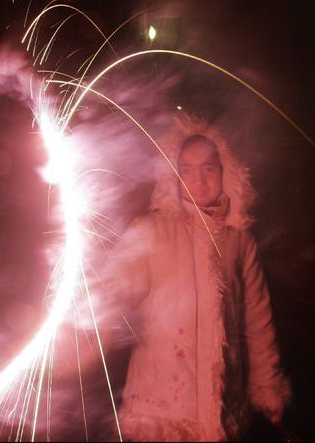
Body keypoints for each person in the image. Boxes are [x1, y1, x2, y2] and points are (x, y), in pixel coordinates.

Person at [102, 115, 291, 441]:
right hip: (161, 410)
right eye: (186, 170)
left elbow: (258, 321)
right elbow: (109, 296)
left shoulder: (239, 240)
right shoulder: (151, 231)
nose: (198, 180)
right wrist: (73, 339)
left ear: (225, 171)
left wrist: (266, 386)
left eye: (208, 169)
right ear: (172, 177)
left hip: (221, 405)